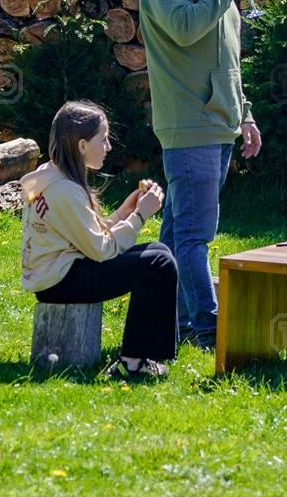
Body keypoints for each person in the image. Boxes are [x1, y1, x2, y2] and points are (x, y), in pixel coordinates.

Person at [139, 0, 264, 349]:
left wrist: (244, 114)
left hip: (219, 123)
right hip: (189, 124)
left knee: (177, 233)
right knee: (196, 235)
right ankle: (210, 327)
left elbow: (227, 60)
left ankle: (169, 322)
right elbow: (186, 28)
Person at [20, 101, 177, 379]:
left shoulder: (54, 175)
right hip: (61, 282)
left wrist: (125, 212)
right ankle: (133, 363)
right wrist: (140, 216)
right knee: (158, 263)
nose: (109, 146)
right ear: (82, 145)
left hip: (60, 274)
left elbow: (87, 235)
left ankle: (145, 355)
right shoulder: (65, 190)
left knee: (159, 251)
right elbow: (101, 250)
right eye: (103, 139)